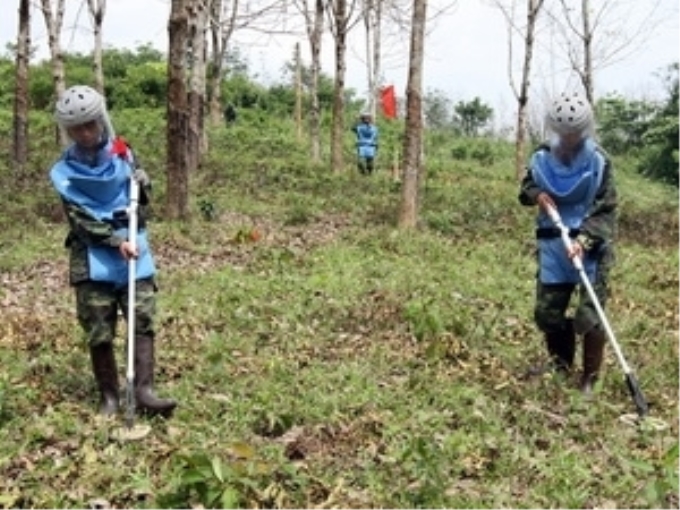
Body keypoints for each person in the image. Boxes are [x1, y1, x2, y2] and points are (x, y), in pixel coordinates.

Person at [49, 85, 177, 417]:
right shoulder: (64, 174)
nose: (85, 132)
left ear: (101, 121)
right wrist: (113, 241)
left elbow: (142, 199)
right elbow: (79, 220)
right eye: (77, 128)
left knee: (142, 316)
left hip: (135, 245)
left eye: (90, 124)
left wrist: (143, 183)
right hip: (93, 257)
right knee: (98, 325)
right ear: (68, 131)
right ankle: (109, 397)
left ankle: (144, 391)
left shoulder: (124, 153)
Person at [518, 91, 617, 395]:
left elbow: (606, 210)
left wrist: (585, 240)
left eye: (574, 133)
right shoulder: (543, 156)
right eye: (563, 133)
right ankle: (561, 365)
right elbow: (526, 187)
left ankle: (590, 376)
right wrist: (537, 194)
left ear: (585, 130)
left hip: (590, 250)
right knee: (548, 313)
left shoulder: (599, 162)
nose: (569, 139)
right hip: (553, 244)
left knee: (591, 314)